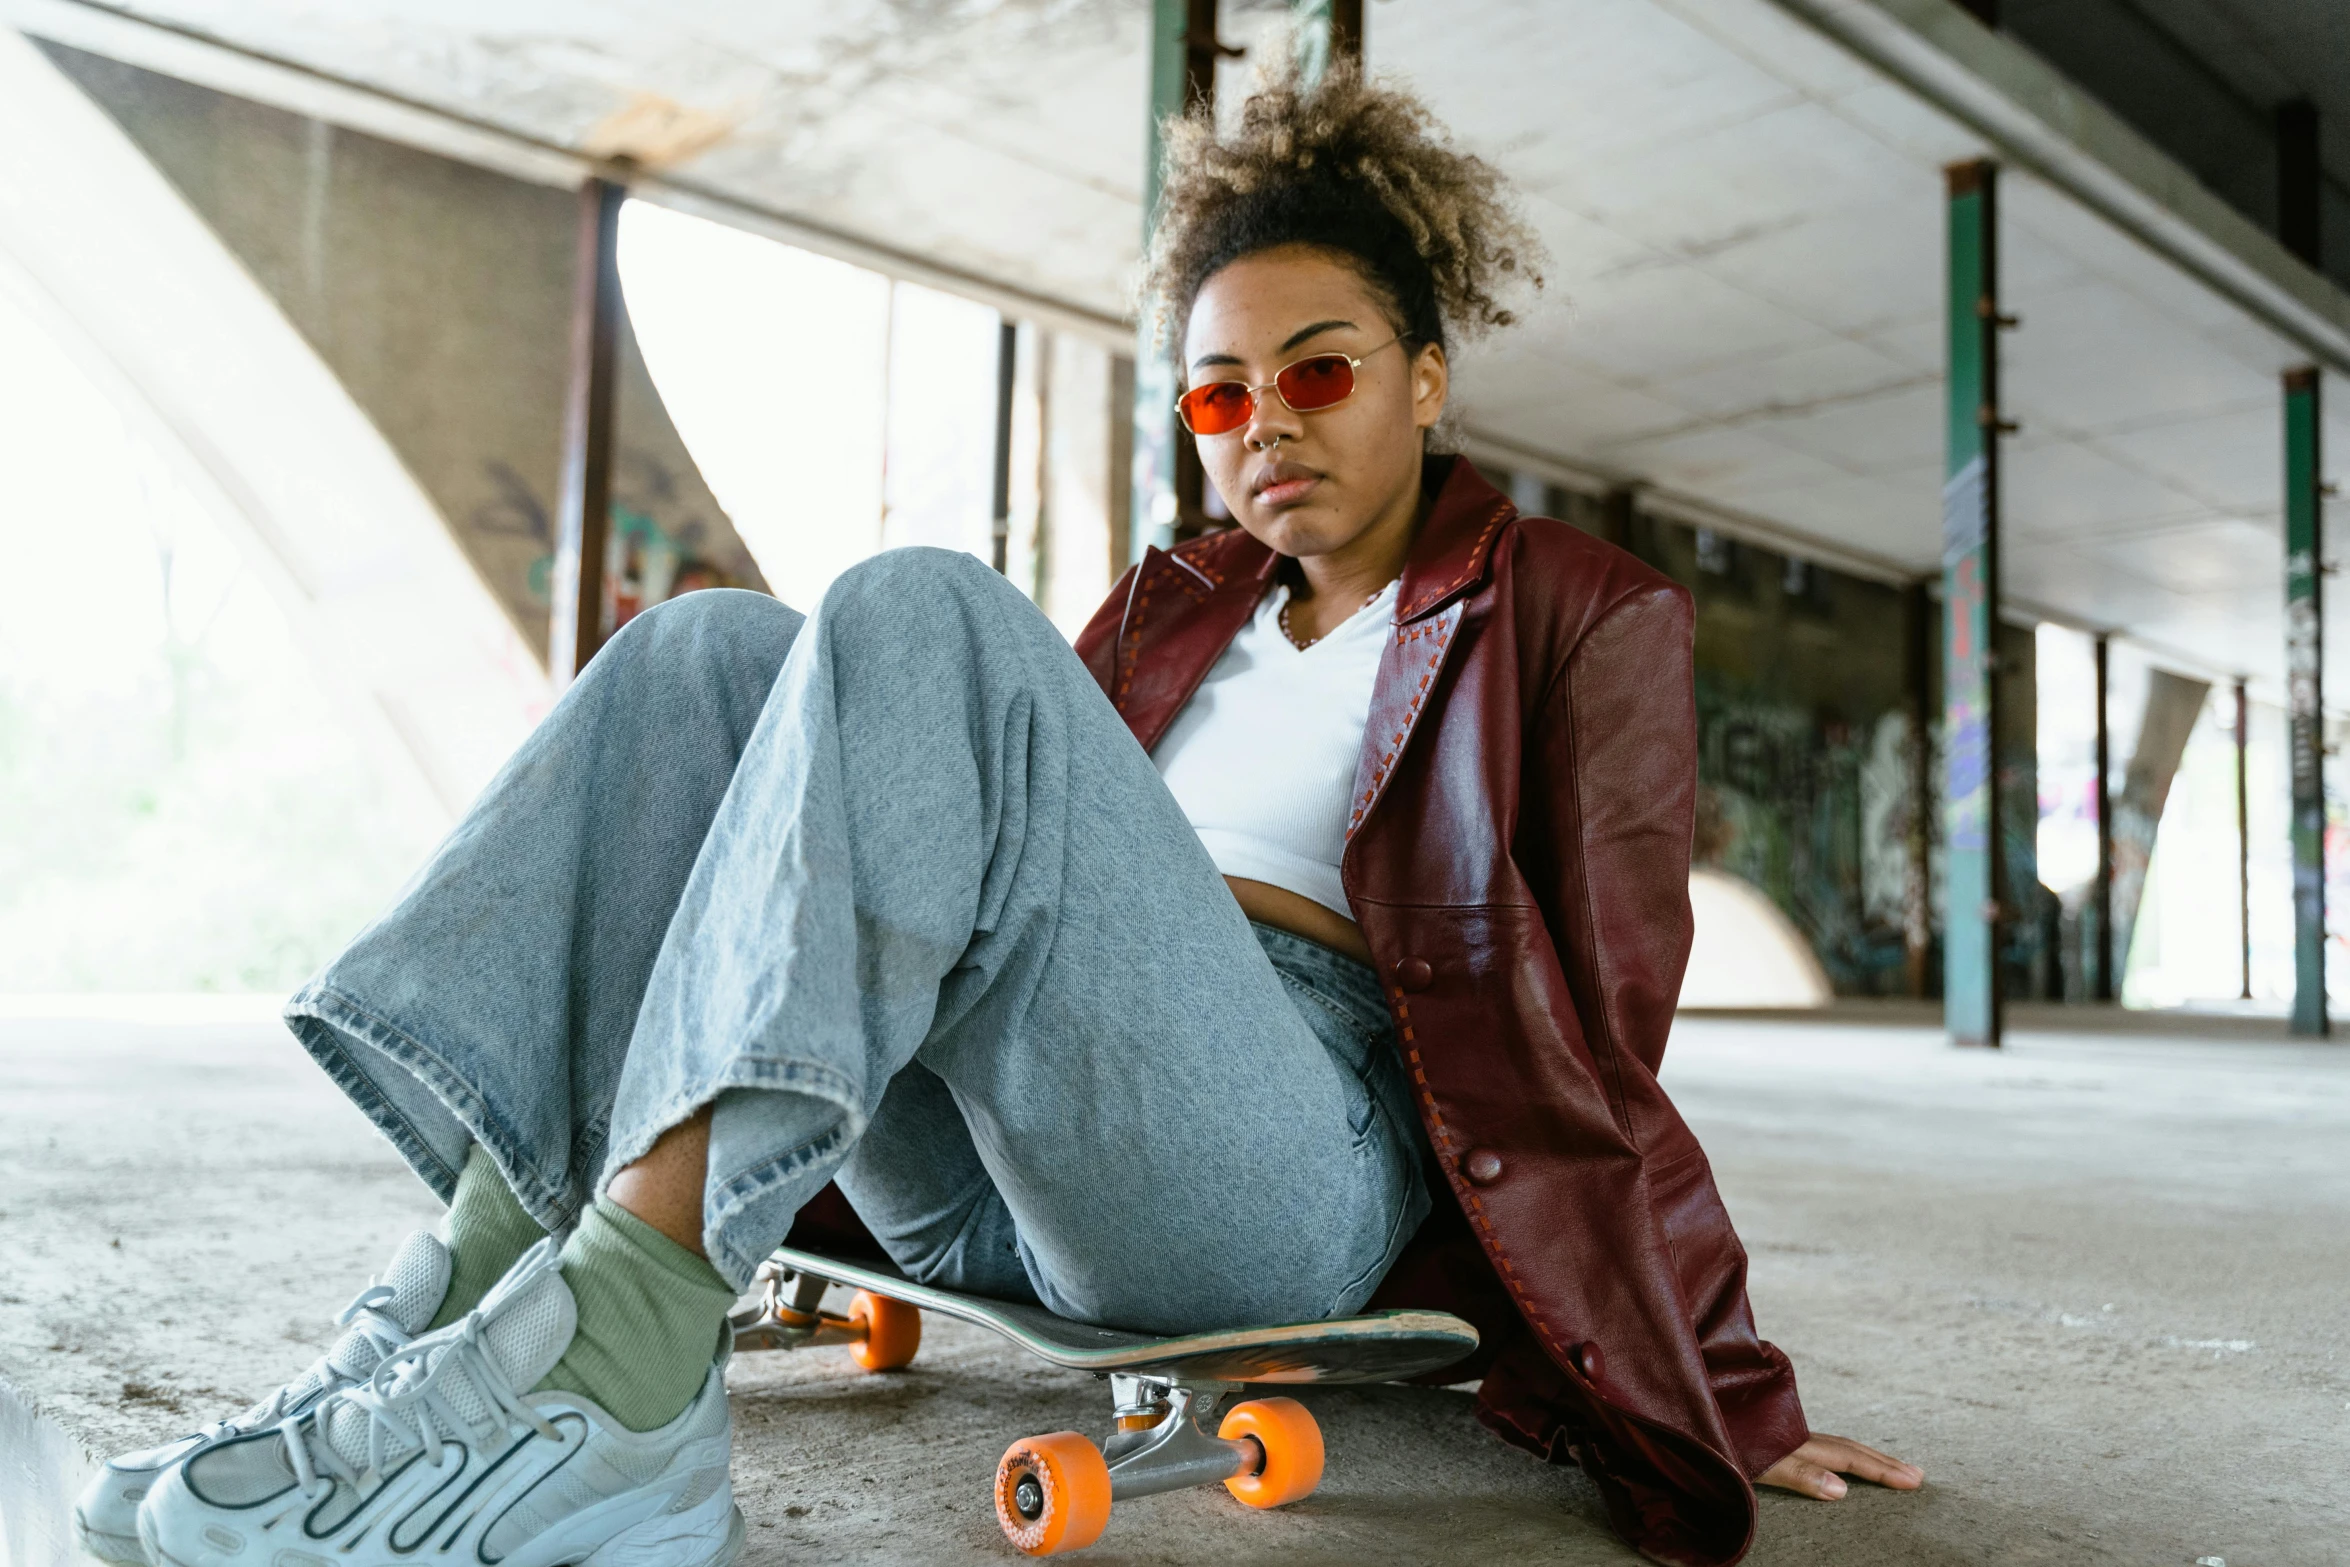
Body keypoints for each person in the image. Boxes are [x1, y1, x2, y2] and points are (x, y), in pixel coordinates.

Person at [85, 55, 1918, 1567]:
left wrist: (1722, 1381)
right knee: (712, 652)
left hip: (1287, 1152)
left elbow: (1604, 1039)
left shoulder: (1578, 612)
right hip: (1001, 1162)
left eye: (1323, 369)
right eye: (1220, 390)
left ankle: (622, 1363)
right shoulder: (1164, 612)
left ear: (1425, 381)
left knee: (923, 608)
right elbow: (928, 840)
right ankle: (462, 1326)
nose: (1265, 420)